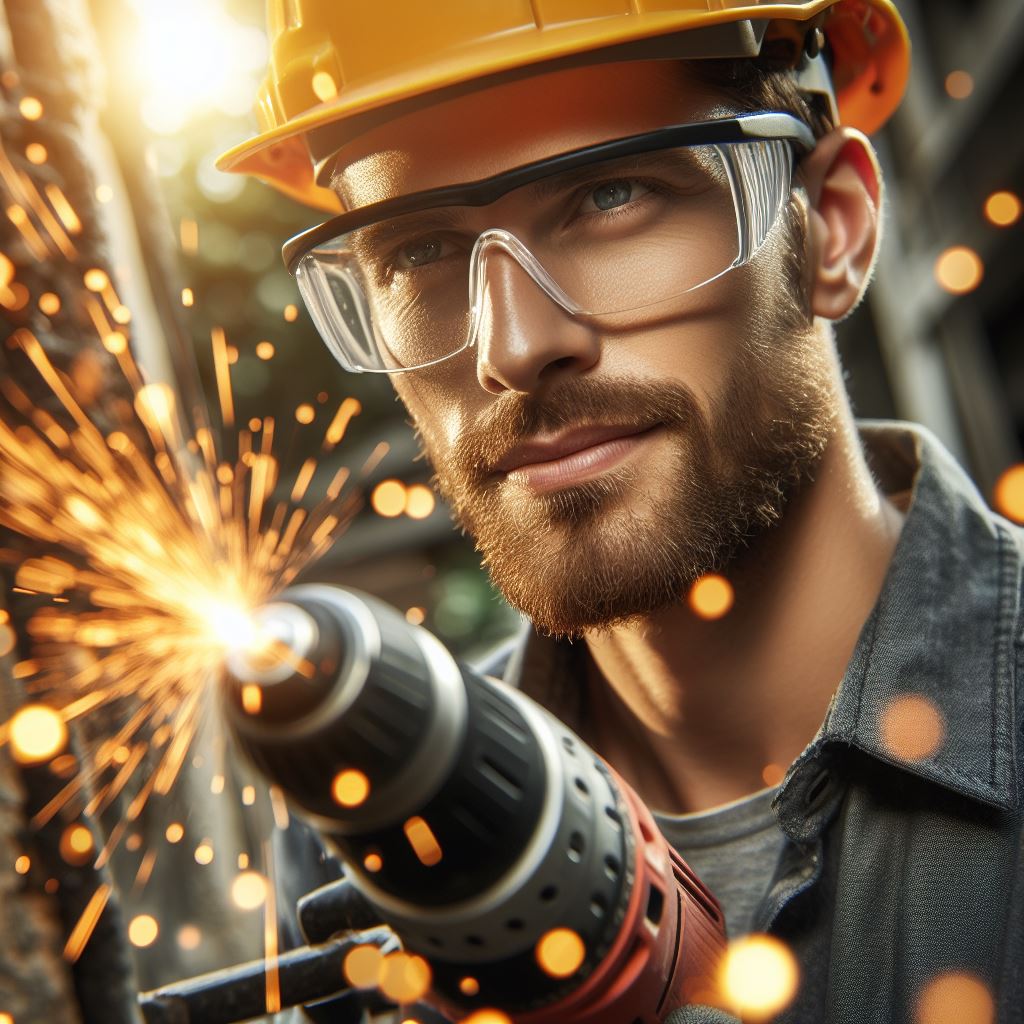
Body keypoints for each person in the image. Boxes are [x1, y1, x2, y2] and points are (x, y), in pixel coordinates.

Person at [218, 3, 1024, 1021]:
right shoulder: (367, 851)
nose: (511, 346)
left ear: (831, 227)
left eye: (609, 195)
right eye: (418, 254)